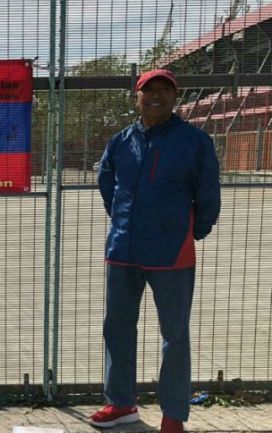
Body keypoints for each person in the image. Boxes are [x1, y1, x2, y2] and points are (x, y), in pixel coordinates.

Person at [88, 69, 221, 433]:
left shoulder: (194, 142)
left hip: (171, 253)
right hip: (123, 251)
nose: (156, 96)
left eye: (164, 90)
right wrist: (122, 221)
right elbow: (106, 181)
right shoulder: (120, 141)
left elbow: (208, 191)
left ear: (175, 98)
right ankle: (121, 404)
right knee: (116, 328)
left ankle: (173, 414)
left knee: (174, 335)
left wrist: (196, 229)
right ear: (137, 96)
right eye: (149, 91)